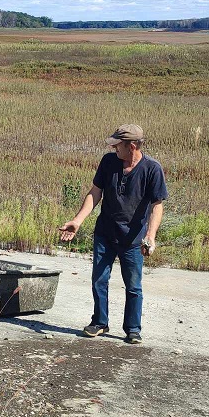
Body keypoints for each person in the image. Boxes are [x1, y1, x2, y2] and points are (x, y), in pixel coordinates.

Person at [58, 124, 167, 344]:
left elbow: (157, 205)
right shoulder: (109, 162)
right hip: (105, 233)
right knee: (99, 280)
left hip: (133, 239)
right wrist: (77, 221)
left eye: (118, 145)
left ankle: (133, 329)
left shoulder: (152, 169)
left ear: (133, 146)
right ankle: (100, 322)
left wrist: (151, 236)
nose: (114, 148)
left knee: (134, 286)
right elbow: (95, 192)